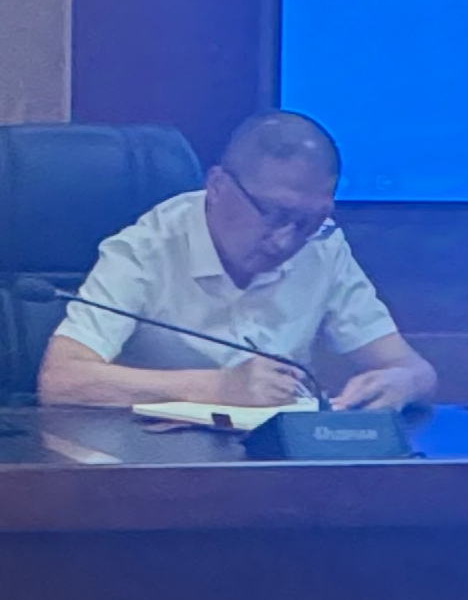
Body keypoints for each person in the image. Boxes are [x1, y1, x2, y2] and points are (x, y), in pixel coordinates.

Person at [38, 110, 436, 413]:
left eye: (309, 221)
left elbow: (414, 369)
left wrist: (402, 383)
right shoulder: (148, 247)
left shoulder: (323, 244)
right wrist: (215, 387)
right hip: (156, 461)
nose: (286, 240)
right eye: (274, 214)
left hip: (277, 466)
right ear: (217, 186)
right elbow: (63, 379)